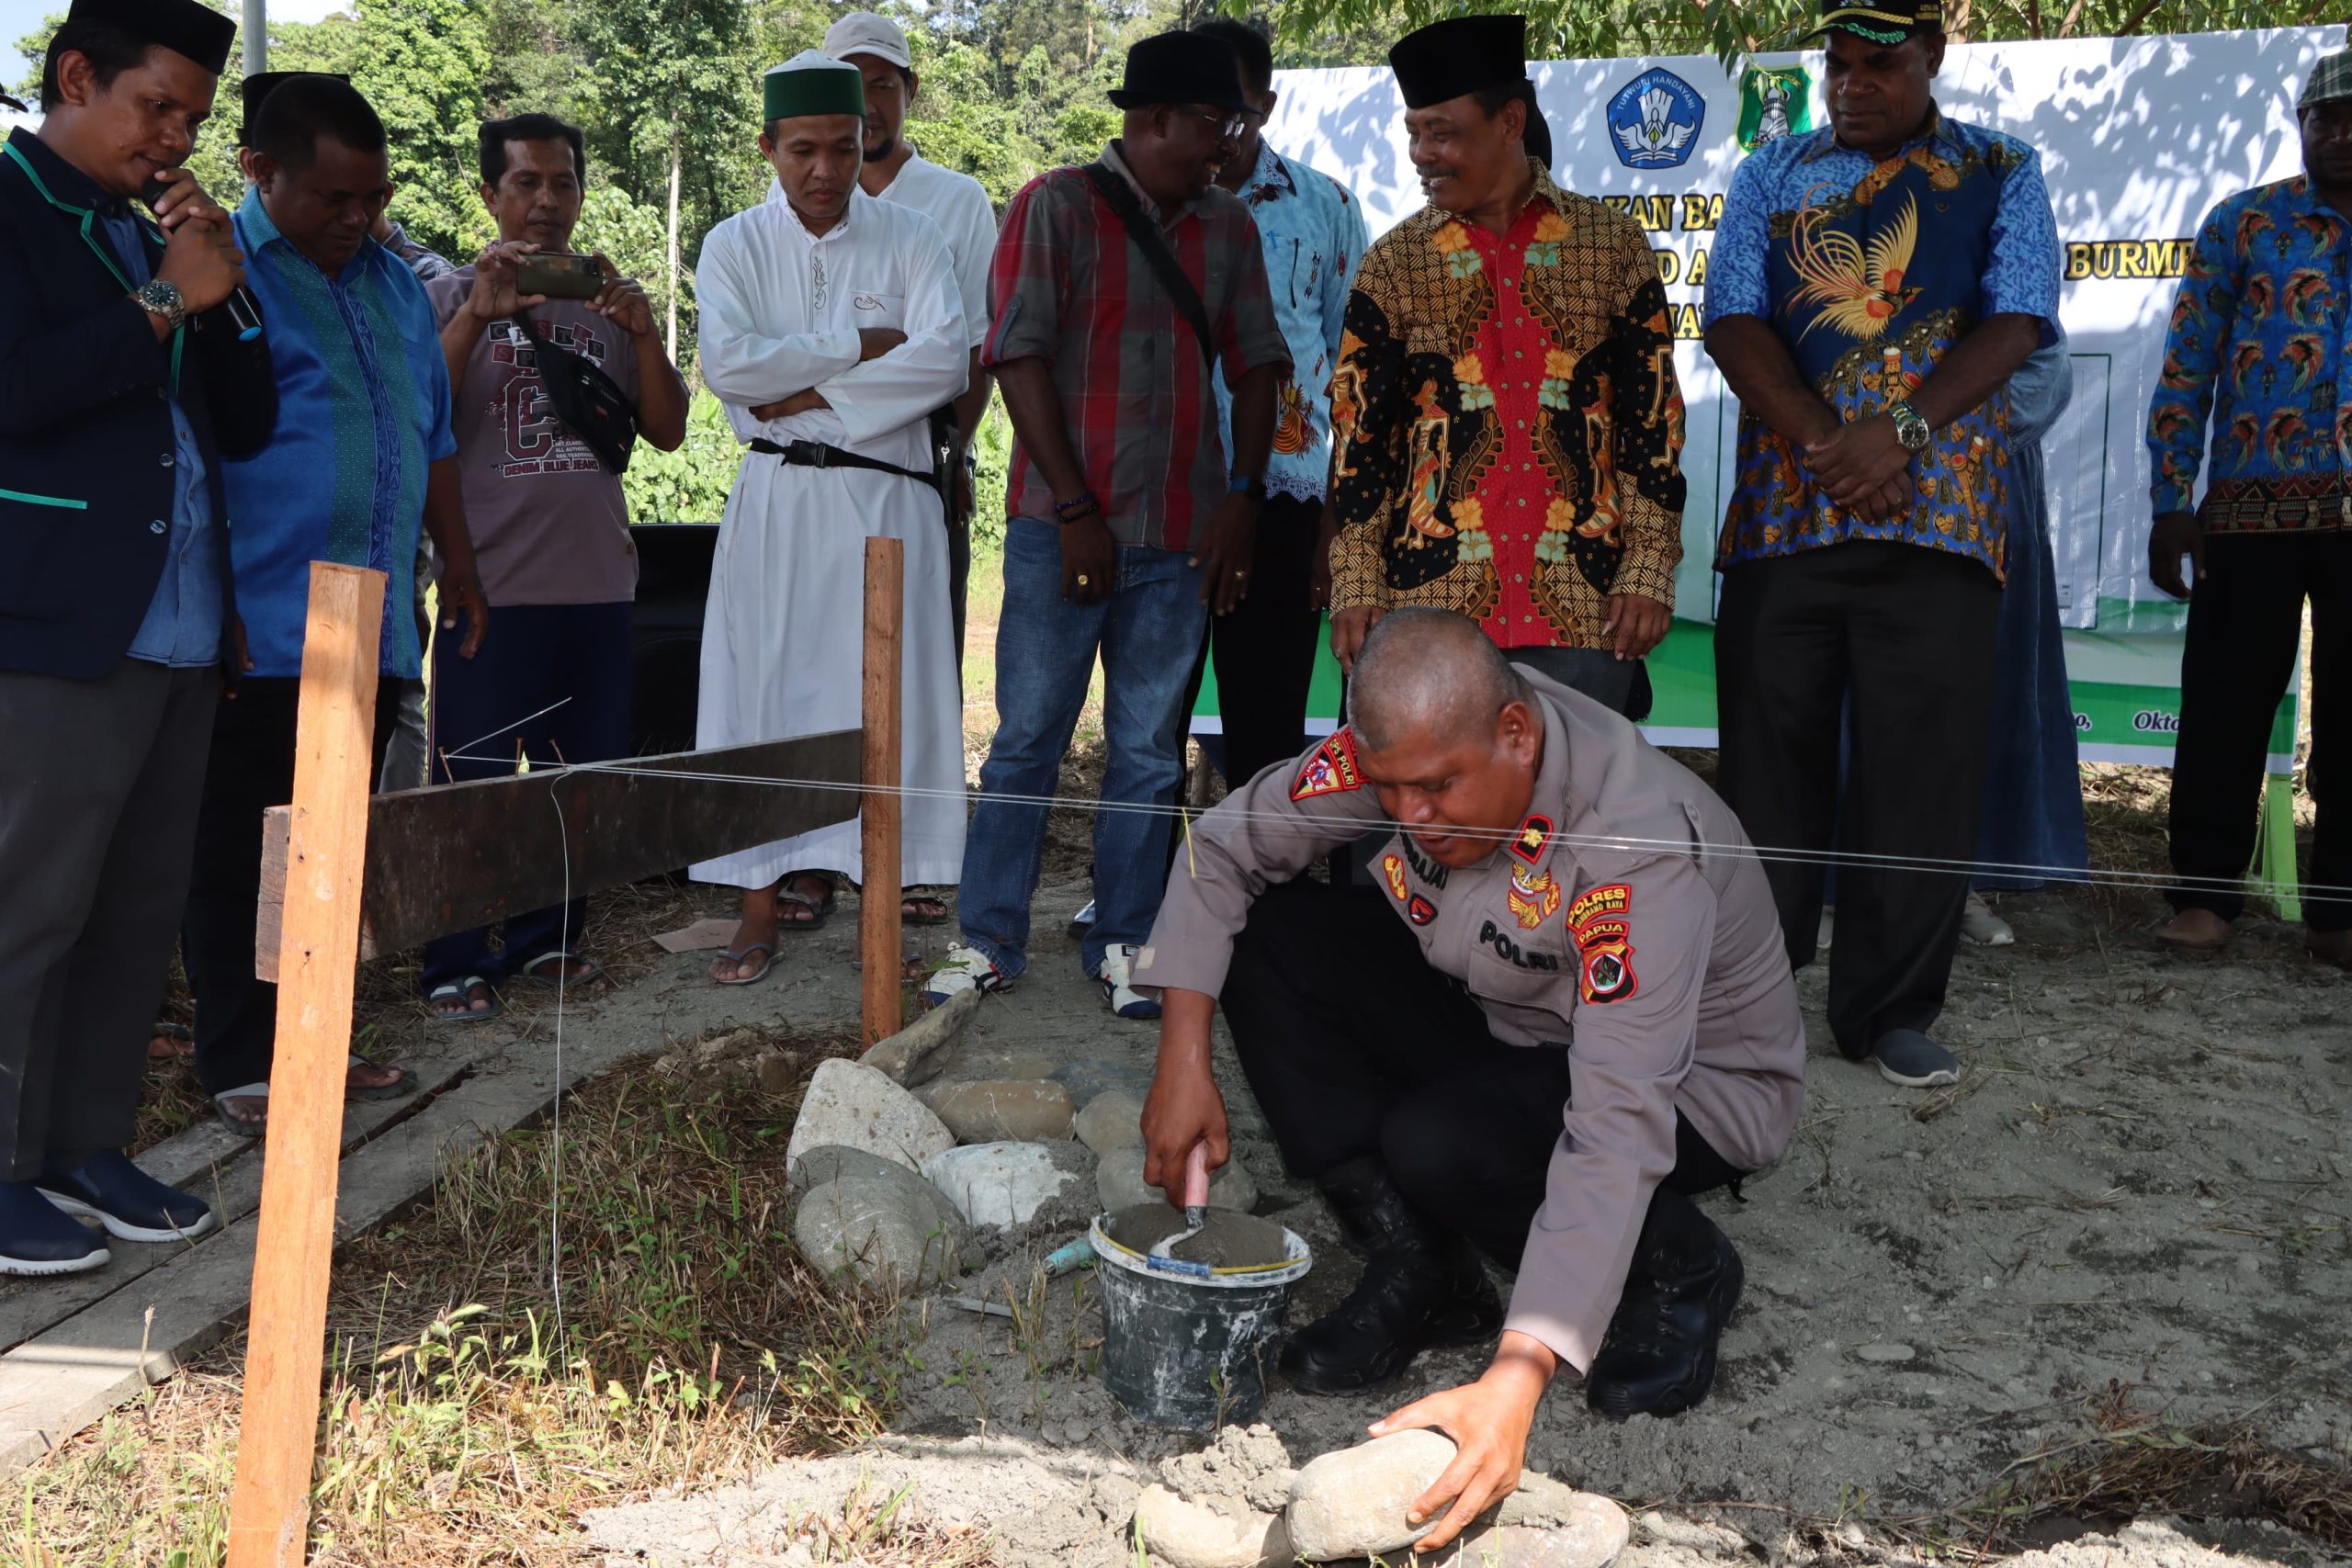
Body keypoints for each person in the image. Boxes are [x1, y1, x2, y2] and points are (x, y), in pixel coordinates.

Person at [1132, 611, 1804, 1544]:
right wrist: (1180, 1059)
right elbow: (1226, 842)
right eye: (1391, 789)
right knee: (1275, 943)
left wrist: (1518, 1375)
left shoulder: (1632, 846)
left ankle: (1680, 1267)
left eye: (1438, 789)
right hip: (1509, 1022)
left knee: (1443, 1141)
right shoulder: (1418, 749)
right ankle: (1423, 1265)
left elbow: (1616, 1116)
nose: (1411, 818)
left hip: (1692, 1088)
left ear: (1515, 736)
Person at [1702, 0, 2059, 1089]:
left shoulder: (2002, 168)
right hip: (1785, 514)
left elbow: (2016, 319)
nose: (1852, 86)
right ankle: (1746, 1006)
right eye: (1837, 66)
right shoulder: (1772, 170)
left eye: (1879, 67)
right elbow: (1730, 316)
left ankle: (1889, 1010)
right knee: (1768, 772)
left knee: (1920, 774)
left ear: (1933, 58)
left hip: (1940, 519)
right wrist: (1822, 437)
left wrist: (1895, 432)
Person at [925, 32, 1289, 1020]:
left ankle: (1126, 937)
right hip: (1059, 530)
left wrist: (1243, 498)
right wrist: (1077, 509)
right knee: (1027, 739)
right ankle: (987, 937)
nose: (1227, 145)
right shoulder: (1056, 207)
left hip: (1182, 539)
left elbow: (1260, 366)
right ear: (1156, 119)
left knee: (1144, 747)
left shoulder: (1228, 230)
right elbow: (1017, 359)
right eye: (1216, 125)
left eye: (1235, 125)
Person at [0, 0, 272, 1272]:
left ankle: (81, 1142)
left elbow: (253, 418)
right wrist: (165, 299)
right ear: (75, 78)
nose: (173, 140)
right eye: (154, 107)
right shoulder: (10, 206)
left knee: (131, 906)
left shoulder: (147, 230)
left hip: (176, 619)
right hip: (51, 614)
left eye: (193, 121)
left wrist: (217, 290)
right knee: (24, 901)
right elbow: (18, 389)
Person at [186, 73, 491, 1134]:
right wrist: (211, 602)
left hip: (377, 622)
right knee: (245, 848)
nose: (359, 219)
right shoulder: (217, 271)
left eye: (374, 199)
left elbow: (433, 435)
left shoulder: (399, 284)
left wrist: (461, 562)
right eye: (334, 200)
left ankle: (317, 1036)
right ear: (260, 173)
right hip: (259, 622)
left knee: (336, 847)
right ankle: (238, 1061)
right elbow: (195, 453)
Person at [693, 51, 970, 983]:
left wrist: (803, 389)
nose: (824, 171)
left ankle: (880, 904)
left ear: (866, 145)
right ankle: (758, 903)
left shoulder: (913, 238)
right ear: (769, 147)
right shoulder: (734, 244)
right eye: (802, 150)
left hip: (887, 497)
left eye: (843, 150)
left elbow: (945, 365)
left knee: (885, 699)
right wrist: (856, 346)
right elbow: (730, 372)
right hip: (777, 500)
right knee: (760, 691)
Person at [1324, 15, 1687, 716]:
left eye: (1443, 131)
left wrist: (1647, 566)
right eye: (1414, 133)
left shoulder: (1612, 247)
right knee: (1427, 817)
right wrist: (1357, 583)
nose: (1422, 153)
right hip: (1430, 608)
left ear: (1510, 120)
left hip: (1585, 609)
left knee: (1573, 816)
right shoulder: (1392, 266)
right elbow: (1359, 443)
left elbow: (1653, 422)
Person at [418, 113, 692, 1020]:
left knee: (578, 783)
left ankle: (549, 938)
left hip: (597, 587)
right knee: (474, 782)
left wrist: (645, 332)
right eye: (525, 183)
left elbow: (667, 429)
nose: (545, 203)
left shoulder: (606, 302)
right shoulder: (447, 296)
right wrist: (473, 319)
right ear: (488, 194)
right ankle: (455, 954)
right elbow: (421, 418)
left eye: (561, 184)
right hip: (489, 587)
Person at [2147, 51, 2352, 967]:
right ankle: (2203, 898)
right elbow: (2187, 368)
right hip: (2248, 512)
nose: (2338, 135)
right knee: (2226, 707)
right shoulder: (2244, 223)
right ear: (2299, 123)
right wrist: (2169, 501)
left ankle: (2338, 917)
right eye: (2323, 119)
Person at [775, 13, 998, 669]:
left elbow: (971, 353)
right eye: (850, 84)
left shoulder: (955, 200)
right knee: (813, 653)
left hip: (918, 461)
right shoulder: (785, 193)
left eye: (882, 85)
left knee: (916, 657)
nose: (867, 105)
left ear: (911, 90)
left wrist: (950, 457)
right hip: (807, 460)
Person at [1189, 17, 1368, 784]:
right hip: (1166, 499)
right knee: (1148, 717)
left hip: (1283, 503)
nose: (1212, 126)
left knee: (1268, 719)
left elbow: (1356, 375)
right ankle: (1144, 897)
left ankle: (1269, 893)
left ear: (1265, 100)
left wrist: (1334, 520)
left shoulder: (1324, 207)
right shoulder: (1147, 207)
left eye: (1228, 105)